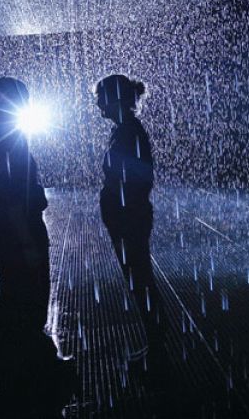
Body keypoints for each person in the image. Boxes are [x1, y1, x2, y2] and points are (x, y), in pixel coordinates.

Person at [0, 75, 73, 418]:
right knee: (26, 302)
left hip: (12, 230)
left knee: (17, 302)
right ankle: (29, 375)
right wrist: (28, 241)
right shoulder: (8, 143)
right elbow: (12, 199)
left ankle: (22, 373)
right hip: (21, 231)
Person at [93, 74, 164, 364]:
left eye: (100, 99)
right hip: (128, 216)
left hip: (128, 218)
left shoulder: (128, 133)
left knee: (140, 280)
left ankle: (158, 348)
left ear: (114, 99)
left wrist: (122, 208)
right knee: (139, 278)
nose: (97, 105)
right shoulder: (125, 130)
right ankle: (156, 343)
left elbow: (137, 179)